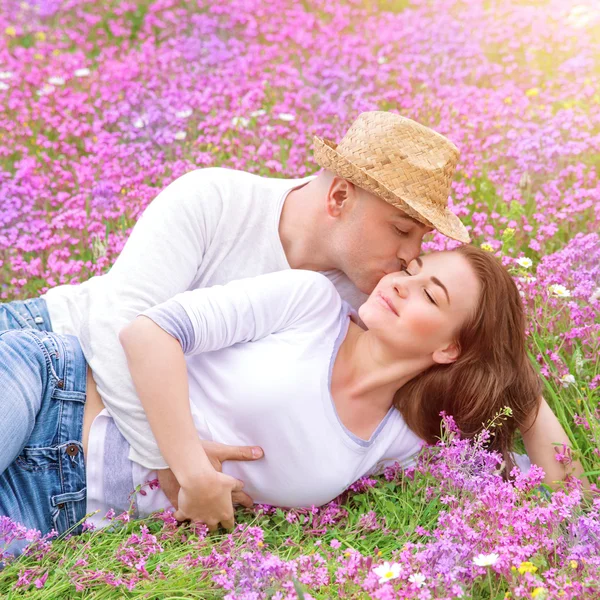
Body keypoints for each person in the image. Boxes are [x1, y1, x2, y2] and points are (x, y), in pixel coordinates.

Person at [0, 246, 581, 550]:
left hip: (62, 508)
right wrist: (191, 471)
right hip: (53, 390)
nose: (401, 281)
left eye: (429, 292)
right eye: (412, 266)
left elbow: (565, 498)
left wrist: (521, 384)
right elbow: (148, 332)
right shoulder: (310, 303)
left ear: (451, 349)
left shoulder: (401, 439)